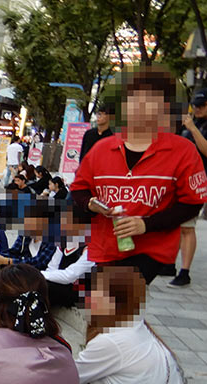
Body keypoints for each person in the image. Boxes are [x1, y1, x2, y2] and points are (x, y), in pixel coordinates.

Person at [71, 65, 207, 284]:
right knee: (108, 310)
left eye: (149, 102)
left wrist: (146, 224)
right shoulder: (102, 149)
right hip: (107, 244)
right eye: (133, 100)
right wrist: (91, 203)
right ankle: (136, 320)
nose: (139, 108)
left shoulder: (182, 150)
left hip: (152, 248)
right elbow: (78, 188)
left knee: (113, 301)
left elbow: (192, 204)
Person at [0, 206, 95, 339]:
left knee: (23, 296)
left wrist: (30, 275)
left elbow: (69, 275)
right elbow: (50, 268)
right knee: (15, 293)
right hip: (47, 280)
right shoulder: (59, 242)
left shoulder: (89, 247)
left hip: (70, 290)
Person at [171, 89, 207, 287]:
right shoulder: (186, 126)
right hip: (178, 180)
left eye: (202, 105)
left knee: (187, 226)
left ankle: (185, 271)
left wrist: (193, 129)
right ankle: (169, 264)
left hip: (198, 182)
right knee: (176, 223)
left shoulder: (194, 127)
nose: (198, 109)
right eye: (196, 105)